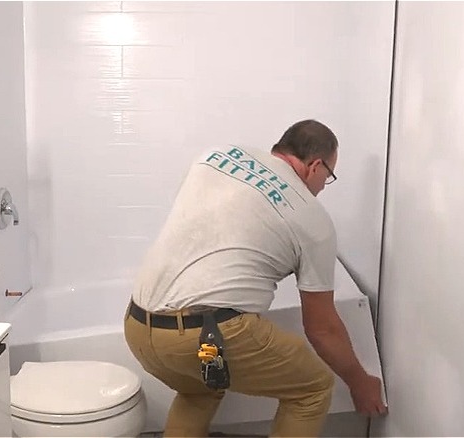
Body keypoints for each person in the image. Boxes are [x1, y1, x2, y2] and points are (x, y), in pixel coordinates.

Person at [124, 119, 386, 437]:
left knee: (199, 390)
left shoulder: (217, 155)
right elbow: (322, 329)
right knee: (312, 389)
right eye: (328, 177)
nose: (322, 187)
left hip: (139, 326)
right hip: (205, 338)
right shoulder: (313, 220)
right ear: (315, 166)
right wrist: (360, 381)